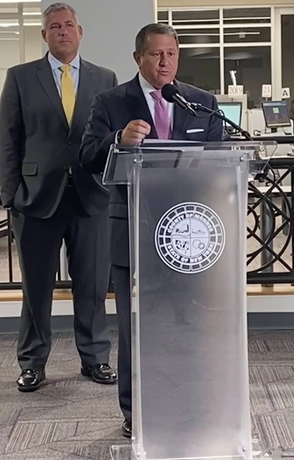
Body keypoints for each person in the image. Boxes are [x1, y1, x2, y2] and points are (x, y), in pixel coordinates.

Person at [79, 23, 223, 437]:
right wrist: (117, 140)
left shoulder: (201, 102)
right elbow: (88, 156)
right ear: (138, 57)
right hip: (133, 232)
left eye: (172, 54)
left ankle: (190, 402)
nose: (165, 63)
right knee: (135, 327)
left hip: (190, 235)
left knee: (189, 324)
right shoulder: (110, 101)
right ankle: (134, 414)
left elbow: (218, 164)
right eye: (156, 54)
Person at [0, 2, 118, 392]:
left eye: (69, 25)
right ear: (44, 35)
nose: (63, 31)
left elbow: (107, 140)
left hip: (89, 198)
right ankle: (32, 363)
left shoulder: (104, 77)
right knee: (36, 289)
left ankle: (95, 358)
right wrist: (12, 194)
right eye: (54, 26)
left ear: (80, 32)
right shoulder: (20, 77)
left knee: (94, 284)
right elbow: (8, 141)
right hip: (35, 199)